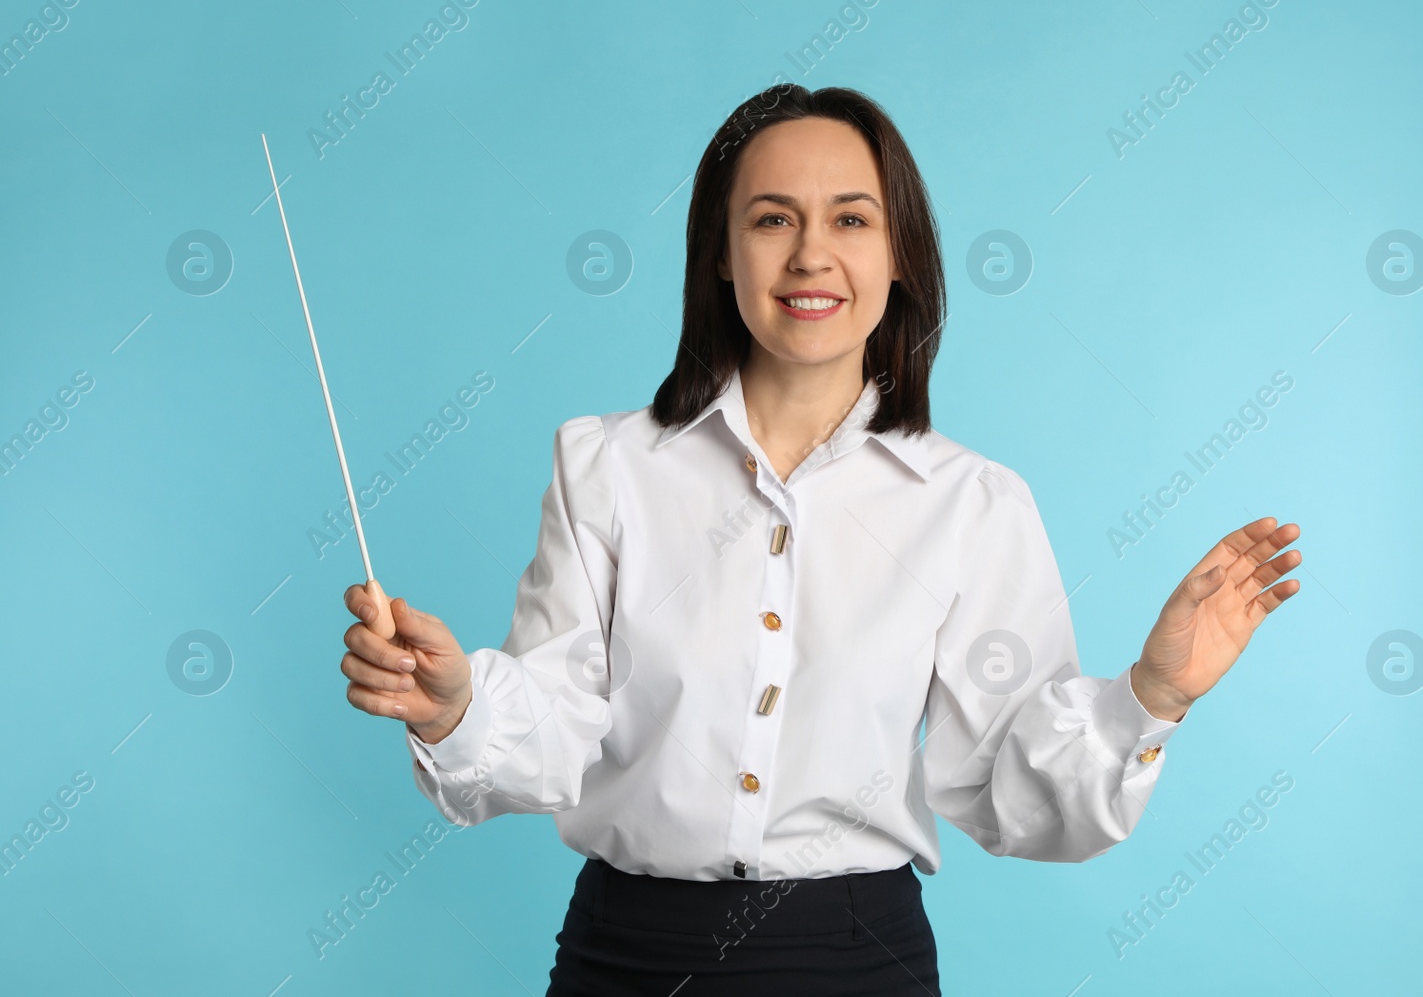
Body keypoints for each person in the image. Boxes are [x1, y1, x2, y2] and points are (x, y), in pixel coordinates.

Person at [337, 84, 1302, 995]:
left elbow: (1009, 789)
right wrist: (457, 706)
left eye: (850, 218)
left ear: (899, 255)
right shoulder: (607, 465)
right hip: (626, 955)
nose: (810, 255)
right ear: (721, 251)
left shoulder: (974, 502)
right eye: (770, 219)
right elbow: (554, 725)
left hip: (857, 955)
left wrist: (1153, 695)